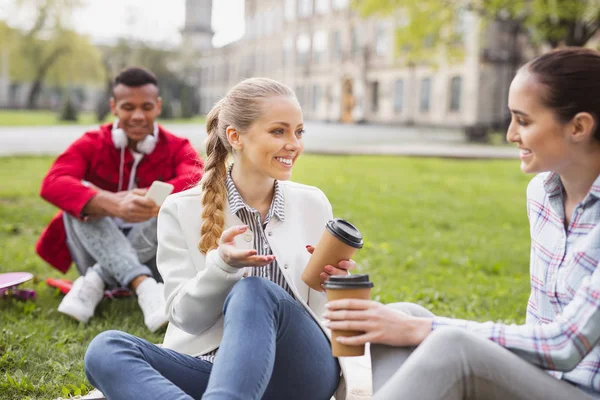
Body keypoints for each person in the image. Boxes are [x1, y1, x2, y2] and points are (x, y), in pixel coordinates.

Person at [324, 47, 600, 400]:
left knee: (445, 343)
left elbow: (564, 345)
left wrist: (419, 329)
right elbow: (539, 323)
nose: (510, 134)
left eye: (524, 121)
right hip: (538, 380)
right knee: (398, 316)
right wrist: (408, 325)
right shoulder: (542, 195)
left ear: (578, 126)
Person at [83, 77, 362, 400]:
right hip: (211, 369)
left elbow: (337, 323)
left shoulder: (312, 203)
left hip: (299, 372)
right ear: (235, 137)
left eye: (298, 132)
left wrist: (339, 284)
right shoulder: (180, 209)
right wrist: (221, 267)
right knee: (106, 349)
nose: (294, 144)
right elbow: (183, 317)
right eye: (278, 131)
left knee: (254, 290)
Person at [36, 67, 203, 332]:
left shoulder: (176, 146)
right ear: (114, 107)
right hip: (92, 249)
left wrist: (151, 198)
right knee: (80, 202)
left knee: (172, 209)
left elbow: (199, 178)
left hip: (154, 255)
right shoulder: (93, 141)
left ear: (158, 106)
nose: (137, 116)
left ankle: (97, 280)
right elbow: (53, 182)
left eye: (146, 107)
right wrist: (110, 203)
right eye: (128, 107)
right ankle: (144, 286)